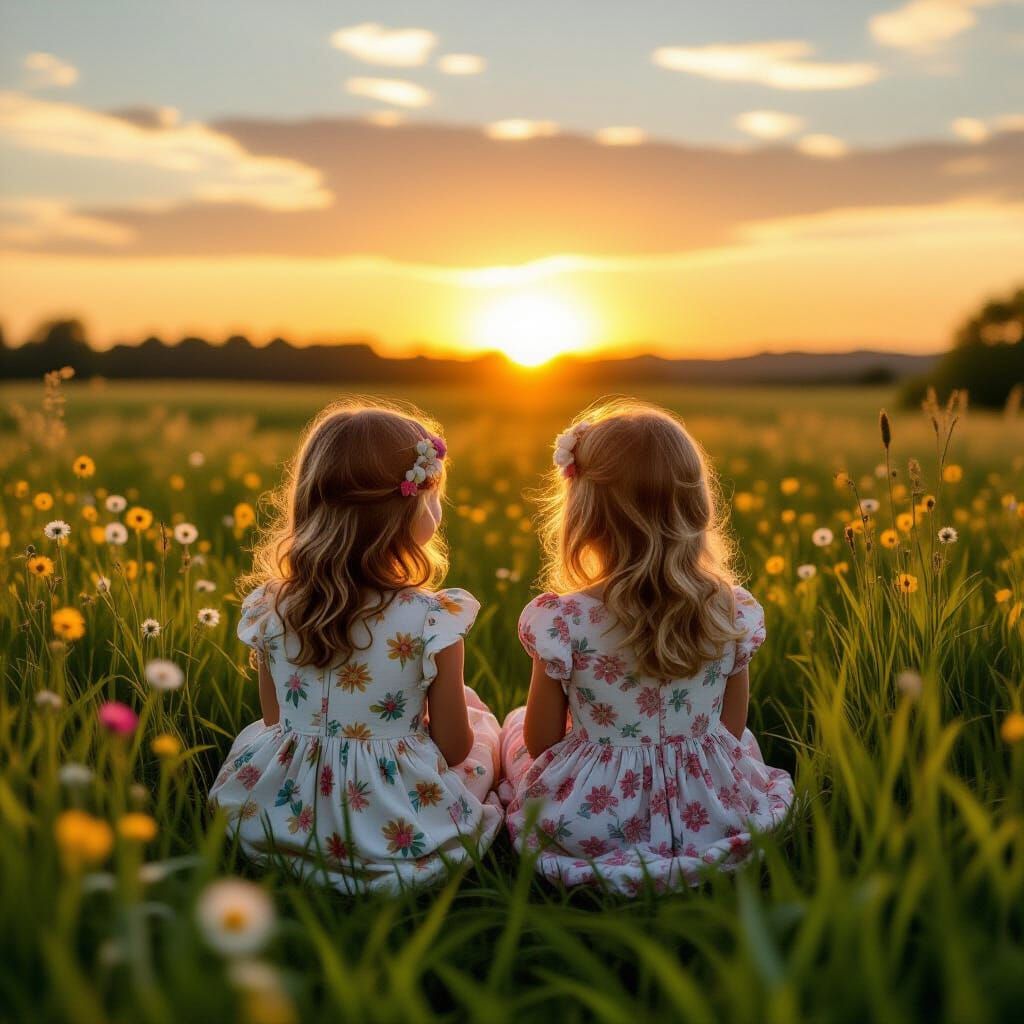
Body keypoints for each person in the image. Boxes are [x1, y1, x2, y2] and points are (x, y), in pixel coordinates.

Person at [500, 399, 793, 895]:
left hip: (597, 818)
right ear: (697, 508)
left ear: (584, 514)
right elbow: (731, 728)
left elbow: (542, 743)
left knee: (511, 727)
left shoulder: (564, 620)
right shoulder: (729, 609)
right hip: (712, 809)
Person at [210, 401, 502, 894]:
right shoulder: (432, 618)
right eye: (434, 497)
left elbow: (275, 720)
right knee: (483, 729)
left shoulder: (271, 607)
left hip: (283, 810)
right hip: (392, 812)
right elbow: (453, 748)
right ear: (410, 507)